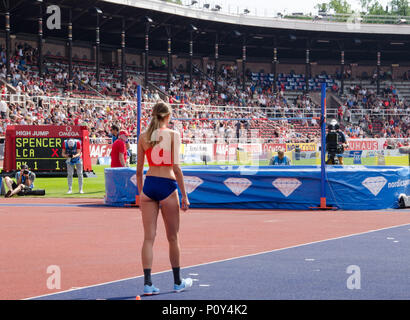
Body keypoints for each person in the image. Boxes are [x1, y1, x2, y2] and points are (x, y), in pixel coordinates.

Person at [136, 101, 191, 296]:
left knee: (148, 238)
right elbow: (176, 168)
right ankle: (177, 282)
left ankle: (148, 284)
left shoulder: (143, 136)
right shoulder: (173, 135)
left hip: (150, 185)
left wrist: (140, 193)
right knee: (173, 237)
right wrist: (184, 195)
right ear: (167, 116)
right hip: (167, 185)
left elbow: (139, 170)